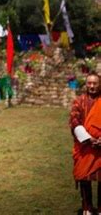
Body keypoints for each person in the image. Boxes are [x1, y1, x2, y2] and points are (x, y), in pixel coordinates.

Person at [69, 73, 101, 215]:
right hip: (85, 147)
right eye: (89, 83)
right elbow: (74, 120)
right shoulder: (79, 101)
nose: (92, 86)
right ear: (86, 84)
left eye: (95, 83)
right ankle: (87, 208)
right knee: (84, 178)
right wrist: (88, 139)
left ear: (99, 84)